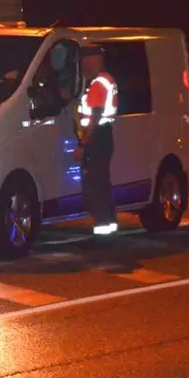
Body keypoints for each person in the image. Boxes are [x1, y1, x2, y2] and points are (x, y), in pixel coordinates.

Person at [73, 45, 119, 237]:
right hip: (104, 135)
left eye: (85, 60)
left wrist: (83, 145)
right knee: (102, 183)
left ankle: (103, 234)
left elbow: (95, 116)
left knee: (95, 186)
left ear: (94, 60)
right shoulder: (107, 80)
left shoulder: (98, 83)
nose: (83, 64)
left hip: (97, 137)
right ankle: (109, 227)